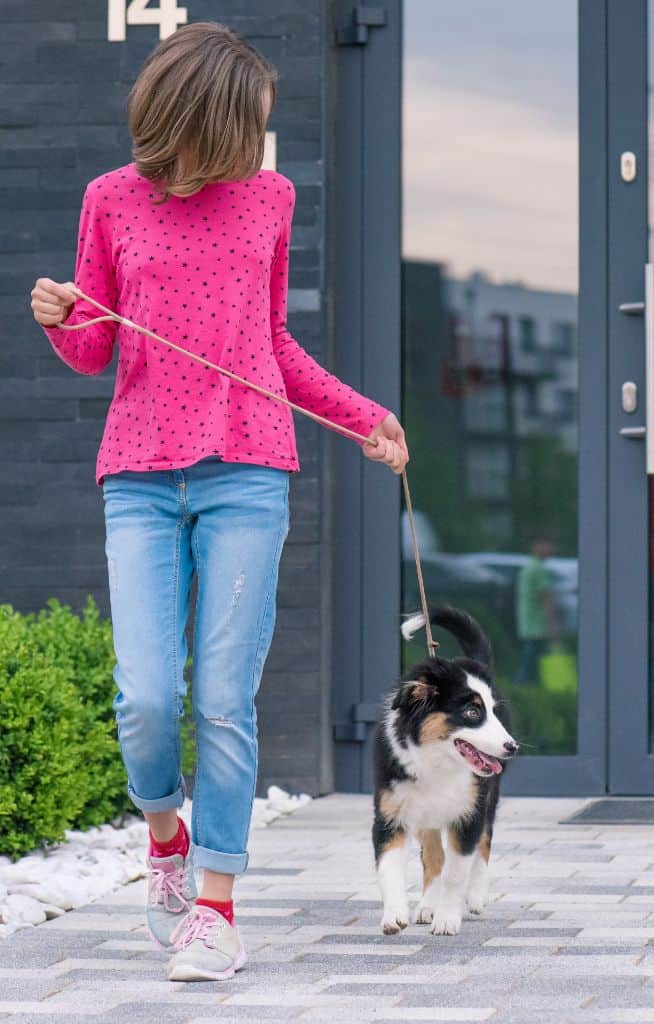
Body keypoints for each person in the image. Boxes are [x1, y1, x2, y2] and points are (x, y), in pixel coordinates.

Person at [29, 22, 409, 983]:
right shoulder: (109, 199)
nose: (260, 140)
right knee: (149, 698)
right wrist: (62, 319)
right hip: (141, 475)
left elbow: (271, 343)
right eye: (249, 121)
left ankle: (213, 907)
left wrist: (366, 416)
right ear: (202, 115)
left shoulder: (270, 199)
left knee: (227, 701)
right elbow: (94, 348)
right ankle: (164, 833)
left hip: (248, 470)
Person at [514, 536, 560, 684]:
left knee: (532, 667)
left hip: (528, 625)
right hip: (538, 627)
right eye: (547, 544)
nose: (551, 548)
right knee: (531, 667)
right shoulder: (539, 570)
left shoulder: (527, 568)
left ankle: (522, 690)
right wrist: (553, 627)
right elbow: (545, 599)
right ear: (537, 546)